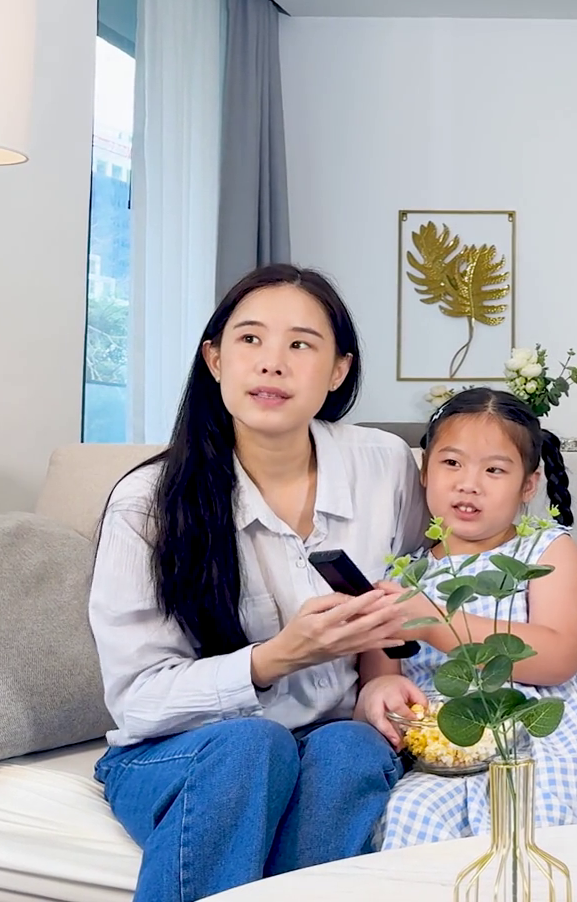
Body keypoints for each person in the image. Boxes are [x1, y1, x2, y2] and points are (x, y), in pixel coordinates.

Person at [88, 264, 428, 902]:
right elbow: (136, 701)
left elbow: (403, 585)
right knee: (253, 745)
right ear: (215, 360)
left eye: (300, 344)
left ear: (338, 371)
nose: (272, 362)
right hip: (183, 749)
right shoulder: (147, 503)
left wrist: (380, 676)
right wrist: (276, 658)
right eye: (250, 339)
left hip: (328, 734)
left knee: (353, 748)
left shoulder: (384, 464)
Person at [370, 388, 577, 848]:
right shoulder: (404, 573)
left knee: (533, 814)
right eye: (451, 463)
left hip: (541, 727)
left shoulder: (546, 550)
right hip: (445, 744)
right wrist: (379, 690)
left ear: (528, 485)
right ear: (425, 469)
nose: (469, 484)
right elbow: (380, 672)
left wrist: (436, 623)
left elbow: (559, 656)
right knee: (408, 813)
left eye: (494, 470)